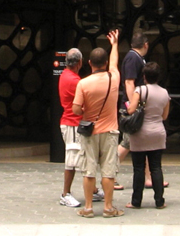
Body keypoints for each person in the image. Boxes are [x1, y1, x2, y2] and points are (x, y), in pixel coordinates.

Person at [72, 29, 122, 218]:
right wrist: (114, 44)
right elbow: (115, 62)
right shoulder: (114, 78)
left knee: (89, 170)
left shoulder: (83, 84)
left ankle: (88, 208)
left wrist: (86, 110)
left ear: (90, 63)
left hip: (90, 133)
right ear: (106, 63)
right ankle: (108, 207)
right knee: (108, 172)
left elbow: (76, 109)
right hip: (110, 132)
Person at [126, 61, 170, 209]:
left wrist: (129, 106)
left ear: (144, 76)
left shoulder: (140, 90)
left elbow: (131, 110)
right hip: (158, 132)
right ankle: (159, 201)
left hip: (140, 133)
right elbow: (164, 116)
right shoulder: (164, 93)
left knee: (139, 168)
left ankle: (136, 201)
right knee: (156, 167)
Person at [117, 31, 153, 191]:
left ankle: (148, 177)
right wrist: (133, 105)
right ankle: (109, 174)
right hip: (131, 106)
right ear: (145, 45)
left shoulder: (136, 58)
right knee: (127, 142)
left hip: (135, 105)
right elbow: (129, 82)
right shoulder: (133, 58)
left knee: (142, 143)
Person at [57, 48, 86, 207]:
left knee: (81, 157)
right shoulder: (75, 81)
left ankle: (93, 189)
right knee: (72, 159)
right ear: (80, 62)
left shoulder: (65, 75)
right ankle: (65, 193)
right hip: (72, 123)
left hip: (71, 121)